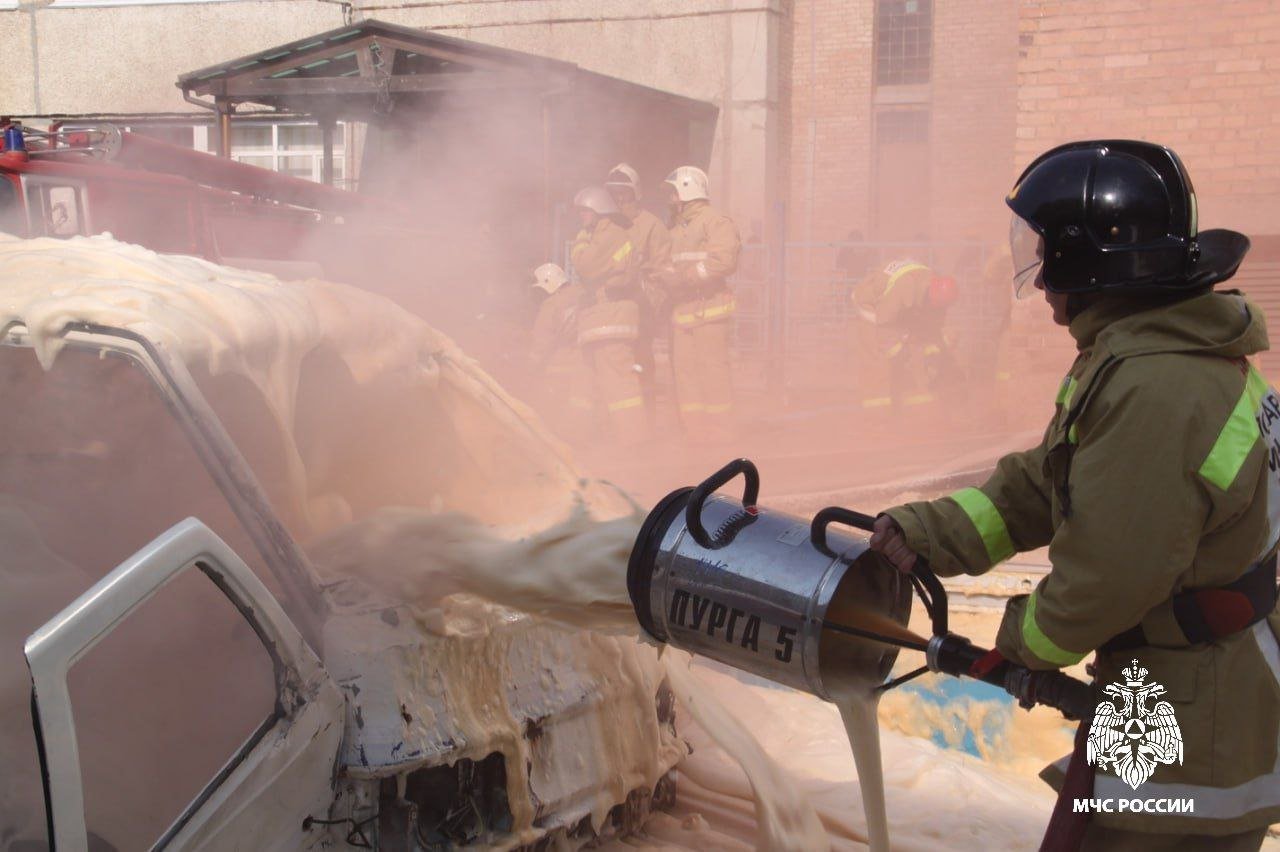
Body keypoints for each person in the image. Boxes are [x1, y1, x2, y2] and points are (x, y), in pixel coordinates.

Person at [869, 140, 1276, 851]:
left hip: (1187, 718)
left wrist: (1022, 641)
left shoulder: (1159, 388)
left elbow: (1111, 573)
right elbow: (1050, 483)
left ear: (1091, 262)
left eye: (1046, 253)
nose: (1041, 280)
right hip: (1174, 687)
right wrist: (930, 532)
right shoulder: (1144, 360)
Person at [662, 165, 741, 442]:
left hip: (710, 309)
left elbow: (723, 261)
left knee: (713, 372)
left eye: (673, 194)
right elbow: (668, 265)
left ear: (687, 191)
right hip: (682, 312)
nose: (671, 200)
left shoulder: (715, 221)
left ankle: (721, 431)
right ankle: (695, 431)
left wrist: (688, 276)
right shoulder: (675, 230)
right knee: (685, 375)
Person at [569, 186, 647, 444]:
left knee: (619, 381)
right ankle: (581, 435)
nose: (581, 217)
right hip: (599, 318)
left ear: (599, 210)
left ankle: (634, 439)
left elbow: (585, 266)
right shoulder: (601, 235)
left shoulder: (611, 235)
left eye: (585, 211)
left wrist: (580, 240)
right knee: (586, 381)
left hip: (611, 317)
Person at [851, 258, 959, 413]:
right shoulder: (905, 288)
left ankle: (915, 400)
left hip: (898, 308)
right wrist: (899, 350)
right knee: (880, 356)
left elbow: (933, 330)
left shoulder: (934, 289)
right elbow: (883, 324)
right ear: (928, 294)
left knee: (915, 347)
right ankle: (876, 411)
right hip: (871, 307)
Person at [606, 163, 671, 418]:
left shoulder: (651, 225)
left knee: (642, 363)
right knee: (613, 366)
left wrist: (648, 305)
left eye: (625, 191)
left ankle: (648, 418)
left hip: (640, 309)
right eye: (615, 192)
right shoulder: (606, 224)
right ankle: (620, 423)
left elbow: (661, 271)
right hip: (610, 309)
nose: (620, 197)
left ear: (635, 192)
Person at [528, 262, 591, 435]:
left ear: (548, 283)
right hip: (587, 359)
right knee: (581, 402)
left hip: (560, 364)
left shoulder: (551, 304)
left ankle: (560, 436)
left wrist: (531, 365)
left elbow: (543, 339)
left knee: (554, 405)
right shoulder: (583, 295)